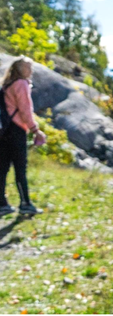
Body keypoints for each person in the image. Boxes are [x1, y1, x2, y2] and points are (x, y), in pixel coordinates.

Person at [0, 57, 47, 217]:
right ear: (20, 69)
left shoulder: (7, 84)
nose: (31, 71)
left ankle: (2, 204)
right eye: (28, 67)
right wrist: (35, 130)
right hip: (16, 130)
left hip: (4, 130)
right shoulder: (21, 84)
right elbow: (25, 110)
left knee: (3, 168)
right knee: (20, 168)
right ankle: (25, 203)